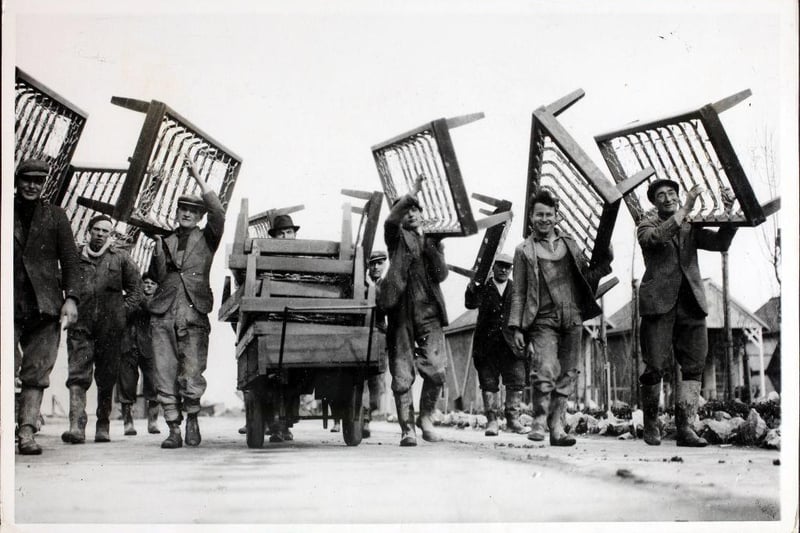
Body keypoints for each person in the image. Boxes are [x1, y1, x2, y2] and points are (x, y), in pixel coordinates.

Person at [637, 180, 737, 447]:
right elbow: (656, 239)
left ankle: (686, 428)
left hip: (690, 302)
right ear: (653, 202)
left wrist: (729, 214)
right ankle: (651, 425)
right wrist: (686, 209)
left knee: (694, 364)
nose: (668, 198)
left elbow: (720, 243)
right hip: (658, 304)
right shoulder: (646, 226)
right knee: (655, 365)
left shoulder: (690, 226)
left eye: (672, 194)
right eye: (661, 195)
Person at [508, 189, 611, 447]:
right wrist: (518, 328)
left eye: (549, 214)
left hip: (572, 315)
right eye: (539, 214)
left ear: (557, 216)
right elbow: (519, 291)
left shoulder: (570, 243)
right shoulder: (524, 250)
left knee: (568, 372)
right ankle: (539, 421)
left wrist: (606, 257)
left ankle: (557, 428)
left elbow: (586, 276)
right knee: (544, 369)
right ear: (531, 217)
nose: (544, 219)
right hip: (542, 318)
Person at [148, 156, 225, 449]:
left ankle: (192, 417)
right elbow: (153, 276)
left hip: (193, 314)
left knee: (192, 371)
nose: (187, 214)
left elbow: (218, 212)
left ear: (200, 216)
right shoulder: (162, 242)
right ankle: (174, 429)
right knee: (164, 371)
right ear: (177, 211)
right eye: (183, 209)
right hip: (163, 315)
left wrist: (198, 178)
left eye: (194, 211)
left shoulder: (207, 239)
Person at [14, 159, 81, 455]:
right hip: (9, 300)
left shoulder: (56, 216)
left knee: (37, 370)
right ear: (17, 181)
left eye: (38, 181)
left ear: (44, 185)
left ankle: (26, 431)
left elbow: (69, 260)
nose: (31, 186)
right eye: (26, 180)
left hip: (45, 304)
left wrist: (71, 298)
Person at [62, 215, 143, 444]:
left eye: (105, 231)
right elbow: (63, 282)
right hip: (81, 326)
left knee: (106, 377)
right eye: (96, 229)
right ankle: (76, 426)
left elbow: (136, 289)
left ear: (111, 234)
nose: (100, 234)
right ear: (89, 230)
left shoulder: (121, 258)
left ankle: (103, 424)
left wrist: (121, 313)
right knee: (78, 375)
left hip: (110, 328)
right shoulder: (75, 256)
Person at [380, 175, 449, 446]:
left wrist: (431, 245)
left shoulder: (432, 239)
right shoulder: (395, 237)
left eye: (414, 209)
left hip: (429, 312)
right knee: (402, 372)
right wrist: (412, 193)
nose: (410, 214)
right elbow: (389, 221)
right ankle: (407, 428)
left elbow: (441, 275)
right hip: (400, 311)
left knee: (436, 369)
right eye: (405, 210)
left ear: (422, 214)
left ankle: (426, 418)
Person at [464, 253, 529, 437]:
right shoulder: (483, 287)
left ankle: (513, 420)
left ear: (511, 270)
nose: (503, 269)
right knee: (488, 383)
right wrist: (472, 286)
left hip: (511, 345)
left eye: (507, 267)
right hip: (487, 345)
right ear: (493, 267)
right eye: (500, 265)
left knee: (516, 380)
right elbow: (470, 303)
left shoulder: (517, 289)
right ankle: (492, 421)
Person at [117, 273, 162, 435]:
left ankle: (153, 422)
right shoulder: (130, 298)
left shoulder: (159, 301)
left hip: (150, 347)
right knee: (126, 384)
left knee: (153, 384)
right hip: (128, 346)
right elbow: (123, 313)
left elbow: (152, 308)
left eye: (152, 283)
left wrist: (138, 298)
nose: (148, 286)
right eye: (145, 283)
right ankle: (128, 423)